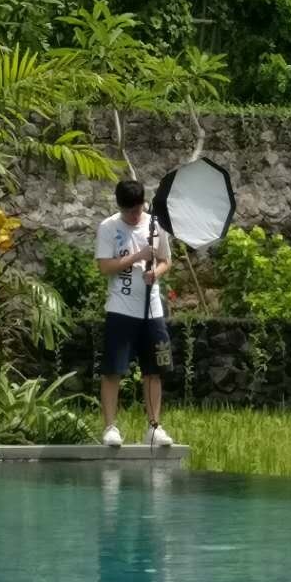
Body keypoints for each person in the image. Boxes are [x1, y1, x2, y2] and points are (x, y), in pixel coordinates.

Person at [95, 179, 175, 448]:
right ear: (120, 207)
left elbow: (166, 260)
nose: (134, 216)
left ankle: (153, 426)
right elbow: (105, 267)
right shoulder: (108, 227)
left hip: (152, 310)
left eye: (138, 209)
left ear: (143, 203)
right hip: (120, 309)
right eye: (128, 211)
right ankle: (110, 427)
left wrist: (156, 273)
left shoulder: (156, 224)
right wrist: (137, 256)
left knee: (154, 370)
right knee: (113, 370)